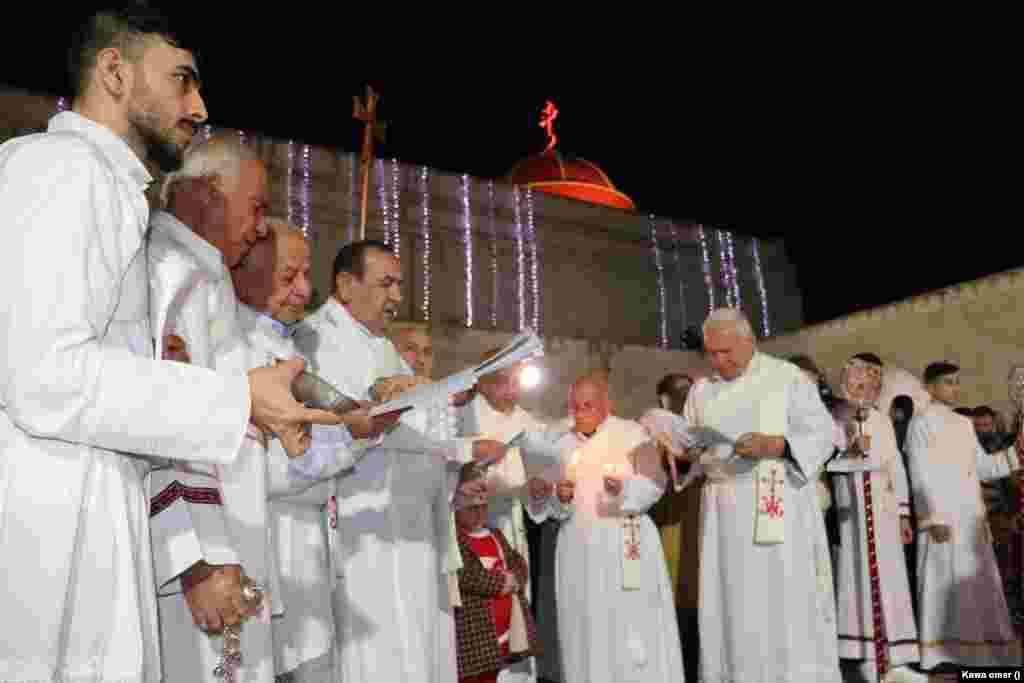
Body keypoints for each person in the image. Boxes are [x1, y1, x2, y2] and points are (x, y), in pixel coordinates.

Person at [0, 8, 334, 681]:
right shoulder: (59, 170)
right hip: (48, 529)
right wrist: (234, 398)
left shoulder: (107, 185)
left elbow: (117, 392)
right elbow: (42, 376)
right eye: (181, 80)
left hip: (91, 520)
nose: (199, 104)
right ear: (115, 72)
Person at [294, 240, 503, 683]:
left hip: (412, 529)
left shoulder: (382, 345)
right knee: (376, 653)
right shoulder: (315, 338)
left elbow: (415, 437)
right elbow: (326, 428)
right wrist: (378, 401)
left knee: (418, 648)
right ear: (346, 285)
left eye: (399, 285)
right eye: (385, 284)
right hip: (363, 528)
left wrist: (456, 470)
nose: (395, 297)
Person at [147, 136, 279, 682]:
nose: (263, 226)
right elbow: (159, 421)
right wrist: (196, 559)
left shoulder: (204, 274)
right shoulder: (168, 272)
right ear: (207, 194)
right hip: (200, 563)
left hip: (231, 542)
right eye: (258, 206)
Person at [232, 220, 387, 682]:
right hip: (266, 544)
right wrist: (356, 437)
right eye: (289, 277)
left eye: (305, 276)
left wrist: (364, 421)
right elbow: (266, 468)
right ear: (247, 273)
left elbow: (329, 427)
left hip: (308, 548)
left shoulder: (292, 347)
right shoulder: (235, 348)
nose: (303, 290)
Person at [682, 308, 840, 683]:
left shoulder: (787, 378)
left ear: (749, 341)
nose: (718, 361)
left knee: (780, 598)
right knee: (731, 601)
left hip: (776, 504)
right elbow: (689, 445)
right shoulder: (701, 390)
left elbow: (824, 434)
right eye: (712, 353)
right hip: (723, 512)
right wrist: (682, 449)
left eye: (726, 352)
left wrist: (778, 444)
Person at [530, 374, 685, 683]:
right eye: (575, 405)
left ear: (607, 405)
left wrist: (626, 490)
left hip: (625, 544)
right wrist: (558, 498)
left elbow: (656, 483)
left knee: (632, 628)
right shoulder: (557, 443)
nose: (580, 411)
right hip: (578, 549)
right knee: (583, 628)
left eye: (589, 404)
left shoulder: (632, 433)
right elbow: (549, 507)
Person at [906, 362, 1023, 671]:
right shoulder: (921, 423)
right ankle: (941, 653)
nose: (954, 388)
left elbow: (983, 467)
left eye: (957, 382)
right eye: (947, 382)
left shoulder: (963, 424)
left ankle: (979, 652)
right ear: (929, 386)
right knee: (943, 586)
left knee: (976, 586)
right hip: (942, 520)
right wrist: (931, 518)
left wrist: (1015, 453)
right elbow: (919, 474)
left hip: (971, 521)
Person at [830, 355, 924, 683]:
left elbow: (895, 465)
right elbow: (832, 456)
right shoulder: (837, 417)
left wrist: (902, 512)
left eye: (873, 384)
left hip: (883, 508)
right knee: (856, 575)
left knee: (892, 577)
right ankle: (863, 650)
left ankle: (896, 652)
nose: (867, 389)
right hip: (853, 512)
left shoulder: (883, 420)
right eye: (861, 382)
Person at [453, 464, 541, 683]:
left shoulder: (494, 533)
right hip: (475, 634)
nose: (478, 513)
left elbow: (517, 562)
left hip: (504, 631)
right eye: (472, 508)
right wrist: (500, 582)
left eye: (483, 507)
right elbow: (464, 574)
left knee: (494, 676)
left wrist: (515, 579)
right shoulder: (455, 538)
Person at [642, 373, 700, 683]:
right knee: (678, 606)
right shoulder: (653, 434)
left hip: (703, 524)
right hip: (673, 527)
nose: (688, 399)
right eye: (681, 394)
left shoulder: (700, 431)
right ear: (664, 400)